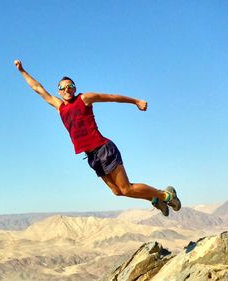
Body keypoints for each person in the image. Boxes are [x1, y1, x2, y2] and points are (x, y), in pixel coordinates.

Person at [14, 59, 181, 216]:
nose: (67, 90)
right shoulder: (59, 107)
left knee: (127, 188)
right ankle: (154, 199)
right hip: (92, 157)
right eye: (63, 88)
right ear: (59, 91)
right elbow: (37, 88)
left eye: (70, 86)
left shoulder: (84, 98)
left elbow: (111, 97)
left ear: (74, 87)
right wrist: (22, 71)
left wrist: (136, 101)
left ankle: (166, 195)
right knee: (117, 192)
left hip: (104, 149)